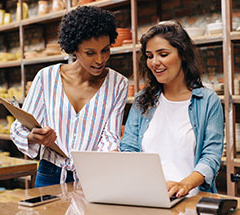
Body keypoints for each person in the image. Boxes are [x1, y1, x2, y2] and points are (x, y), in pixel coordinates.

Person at [11, 6, 128, 187]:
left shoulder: (118, 83)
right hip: (49, 174)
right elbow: (20, 128)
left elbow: (110, 136)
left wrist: (112, 160)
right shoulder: (46, 77)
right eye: (90, 53)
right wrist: (34, 137)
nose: (100, 60)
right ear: (74, 49)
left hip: (94, 176)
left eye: (105, 50)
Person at [120, 21, 223, 197]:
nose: (154, 62)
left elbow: (211, 156)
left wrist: (184, 185)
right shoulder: (142, 99)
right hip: (147, 196)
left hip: (190, 197)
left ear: (182, 54)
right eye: (150, 56)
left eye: (163, 54)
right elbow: (128, 148)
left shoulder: (207, 101)